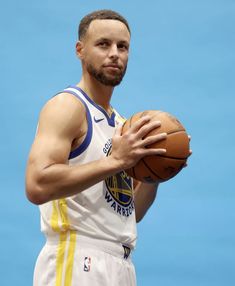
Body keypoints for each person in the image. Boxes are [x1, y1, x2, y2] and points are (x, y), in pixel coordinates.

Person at [26, 9, 170, 286]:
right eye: (103, 44)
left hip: (120, 262)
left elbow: (129, 214)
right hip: (76, 258)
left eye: (122, 46)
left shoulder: (123, 125)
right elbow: (37, 185)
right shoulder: (67, 106)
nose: (115, 53)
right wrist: (116, 161)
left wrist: (154, 175)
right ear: (80, 50)